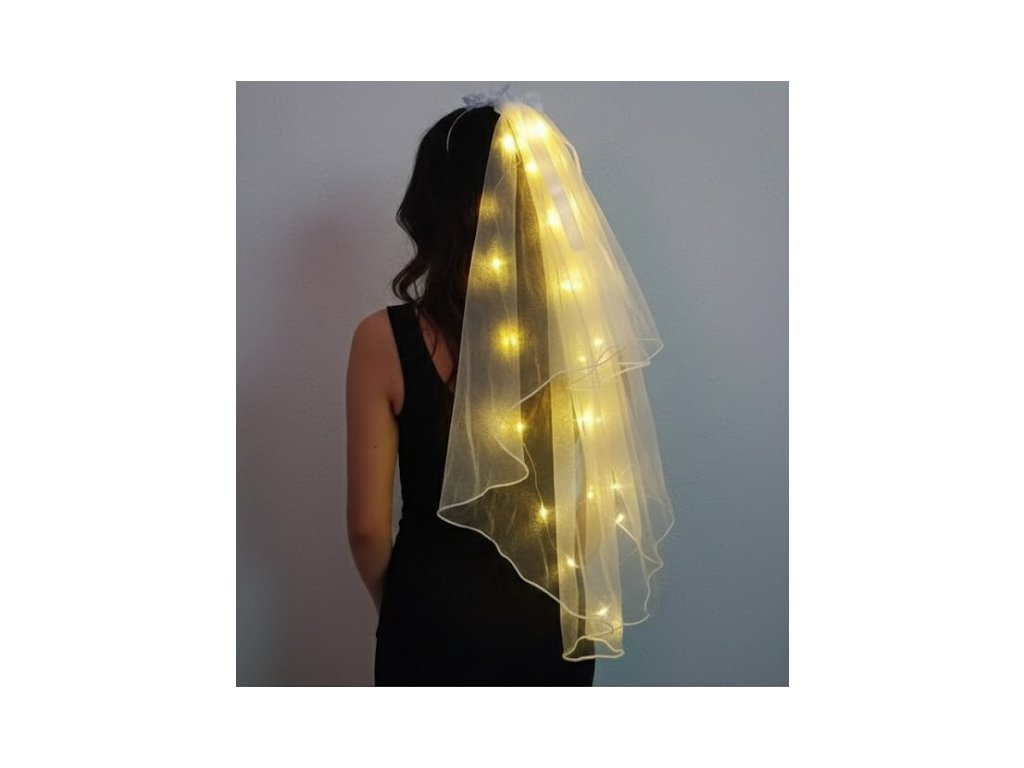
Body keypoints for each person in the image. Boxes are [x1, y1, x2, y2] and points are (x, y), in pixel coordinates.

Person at [345, 104, 598, 685]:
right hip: (550, 617)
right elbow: (587, 511)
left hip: (432, 615)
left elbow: (366, 528)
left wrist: (404, 608)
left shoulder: (383, 341)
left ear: (430, 207)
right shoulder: (582, 334)